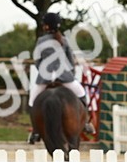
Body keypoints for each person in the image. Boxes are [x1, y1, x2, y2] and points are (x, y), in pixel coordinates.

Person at [28, 12, 89, 143]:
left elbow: (37, 61)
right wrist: (70, 74)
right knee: (82, 93)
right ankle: (86, 123)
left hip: (45, 78)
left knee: (32, 101)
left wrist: (43, 72)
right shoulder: (64, 40)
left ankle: (35, 131)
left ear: (46, 27)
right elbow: (71, 61)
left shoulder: (40, 41)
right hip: (65, 77)